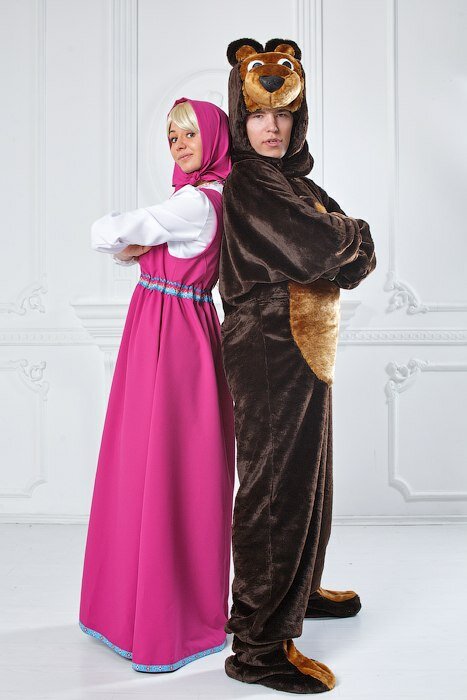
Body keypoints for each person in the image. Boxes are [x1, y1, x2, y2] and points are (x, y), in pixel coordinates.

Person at [219, 38, 376, 694]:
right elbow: (324, 246)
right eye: (259, 115)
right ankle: (258, 644)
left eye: (283, 114)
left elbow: (356, 263)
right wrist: (351, 232)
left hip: (306, 348)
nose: (272, 127)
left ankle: (297, 591)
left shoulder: (295, 183)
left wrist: (347, 242)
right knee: (274, 489)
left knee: (310, 477)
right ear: (241, 118)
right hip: (268, 346)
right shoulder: (251, 183)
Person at [79, 97, 235, 673]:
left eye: (190, 133)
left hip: (172, 336)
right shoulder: (197, 198)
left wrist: (136, 242)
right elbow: (134, 244)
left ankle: (162, 619)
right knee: (154, 462)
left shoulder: (195, 202)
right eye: (172, 136)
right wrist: (141, 245)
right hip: (169, 326)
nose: (179, 145)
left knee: (163, 464)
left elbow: (105, 232)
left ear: (213, 137)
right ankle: (137, 609)